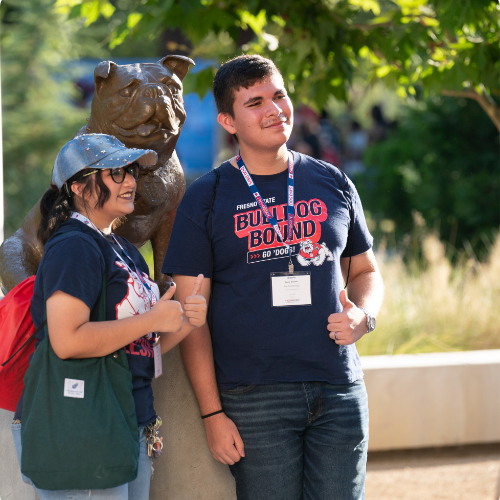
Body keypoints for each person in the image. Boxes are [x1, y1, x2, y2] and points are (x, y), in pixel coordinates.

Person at [162, 55, 384, 500]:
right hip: (253, 397)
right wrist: (211, 415)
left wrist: (365, 315)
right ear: (228, 120)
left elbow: (365, 270)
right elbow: (191, 317)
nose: (274, 110)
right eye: (255, 102)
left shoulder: (333, 182)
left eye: (279, 95)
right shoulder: (205, 198)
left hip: (338, 388)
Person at [11, 133, 207, 500]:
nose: (132, 181)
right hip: (83, 426)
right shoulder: (74, 246)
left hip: (123, 422)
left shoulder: (121, 248)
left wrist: (184, 320)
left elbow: (142, 347)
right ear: (80, 187)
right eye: (116, 173)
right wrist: (152, 320)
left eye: (131, 172)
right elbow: (67, 340)